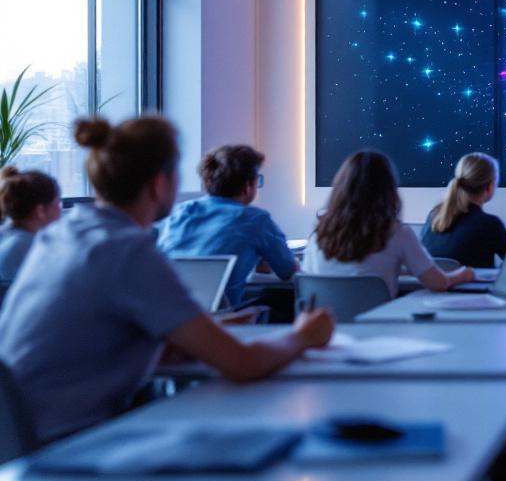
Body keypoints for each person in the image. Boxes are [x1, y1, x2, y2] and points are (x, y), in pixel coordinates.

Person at [0, 116, 335, 444]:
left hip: (20, 437)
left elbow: (84, 345)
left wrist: (192, 335)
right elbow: (241, 364)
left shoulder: (64, 234)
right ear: (159, 184)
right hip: (65, 446)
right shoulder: (127, 249)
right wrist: (303, 336)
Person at [303, 149, 473, 297]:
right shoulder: (397, 233)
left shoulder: (318, 234)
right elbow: (439, 283)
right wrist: (463, 275)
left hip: (326, 331)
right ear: (388, 190)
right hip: (378, 328)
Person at [157, 145, 298, 309]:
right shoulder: (254, 220)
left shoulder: (179, 212)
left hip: (162, 317)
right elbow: (288, 271)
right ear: (247, 186)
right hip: (220, 322)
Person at [420, 152, 506, 268]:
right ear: (489, 187)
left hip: (429, 286)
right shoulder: (489, 224)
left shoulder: (433, 216)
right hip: (473, 286)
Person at [0, 167, 61, 287]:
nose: (60, 209)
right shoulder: (26, 247)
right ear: (40, 211)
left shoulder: (7, 235)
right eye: (57, 203)